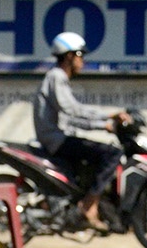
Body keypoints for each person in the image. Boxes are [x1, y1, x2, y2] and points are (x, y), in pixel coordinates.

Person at [34, 31, 125, 230]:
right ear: (69, 56)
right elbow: (72, 110)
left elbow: (72, 118)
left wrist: (103, 125)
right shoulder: (56, 76)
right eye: (80, 55)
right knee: (112, 153)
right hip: (57, 140)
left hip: (60, 138)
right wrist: (108, 116)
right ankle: (89, 206)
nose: (82, 61)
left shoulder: (58, 79)